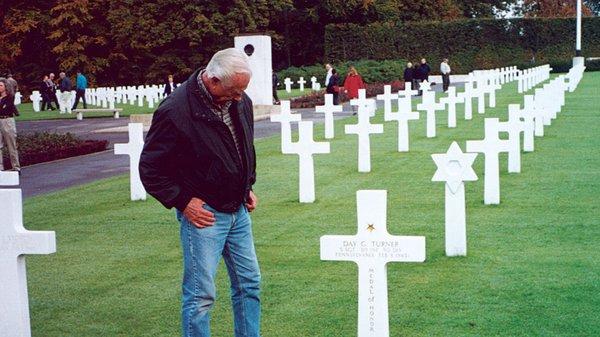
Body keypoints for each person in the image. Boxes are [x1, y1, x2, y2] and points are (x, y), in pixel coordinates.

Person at [139, 48, 261, 337]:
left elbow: (243, 147)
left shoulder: (240, 101)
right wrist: (182, 201)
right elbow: (150, 168)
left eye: (242, 91)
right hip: (205, 216)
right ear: (214, 80)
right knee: (200, 296)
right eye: (234, 91)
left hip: (237, 211)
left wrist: (247, 185)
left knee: (249, 284)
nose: (239, 98)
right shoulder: (175, 111)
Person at [0, 78, 21, 172]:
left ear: (5, 87)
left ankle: (16, 167)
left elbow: (5, 109)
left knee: (11, 145)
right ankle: (0, 167)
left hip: (7, 121)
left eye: (1, 85)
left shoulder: (10, 97)